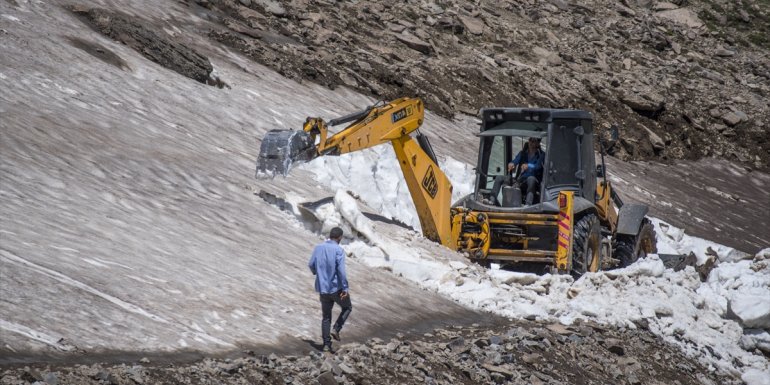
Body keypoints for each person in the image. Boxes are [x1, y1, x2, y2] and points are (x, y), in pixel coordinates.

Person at [307, 227, 351, 353]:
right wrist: (345, 288)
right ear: (340, 237)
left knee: (326, 317)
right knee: (347, 307)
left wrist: (318, 273)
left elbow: (311, 264)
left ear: (330, 235)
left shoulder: (319, 248)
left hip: (323, 288)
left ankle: (326, 345)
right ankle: (336, 329)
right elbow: (341, 271)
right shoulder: (338, 250)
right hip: (336, 288)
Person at [490, 137, 545, 206]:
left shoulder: (541, 155)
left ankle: (528, 204)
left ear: (538, 143)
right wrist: (511, 164)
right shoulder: (522, 153)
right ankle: (492, 200)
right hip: (521, 180)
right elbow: (515, 161)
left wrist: (528, 166)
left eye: (533, 141)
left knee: (531, 179)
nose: (531, 142)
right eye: (530, 140)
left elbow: (538, 166)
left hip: (532, 181)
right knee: (499, 178)